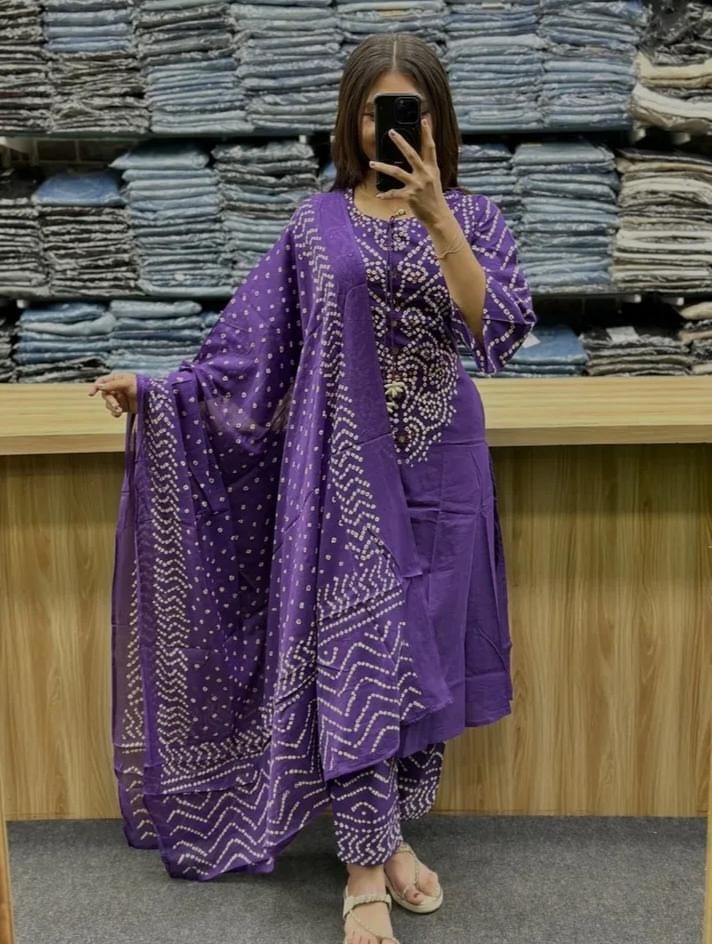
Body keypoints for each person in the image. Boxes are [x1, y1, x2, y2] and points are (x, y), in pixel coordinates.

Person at [89, 32, 535, 944]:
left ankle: (392, 834)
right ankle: (364, 866)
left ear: (439, 120)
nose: (388, 126)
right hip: (343, 472)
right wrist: (161, 391)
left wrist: (439, 218)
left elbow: (500, 332)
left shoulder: (475, 217)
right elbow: (250, 350)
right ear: (350, 120)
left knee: (425, 653)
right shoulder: (315, 226)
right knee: (360, 652)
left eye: (408, 109)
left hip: (444, 466)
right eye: (374, 110)